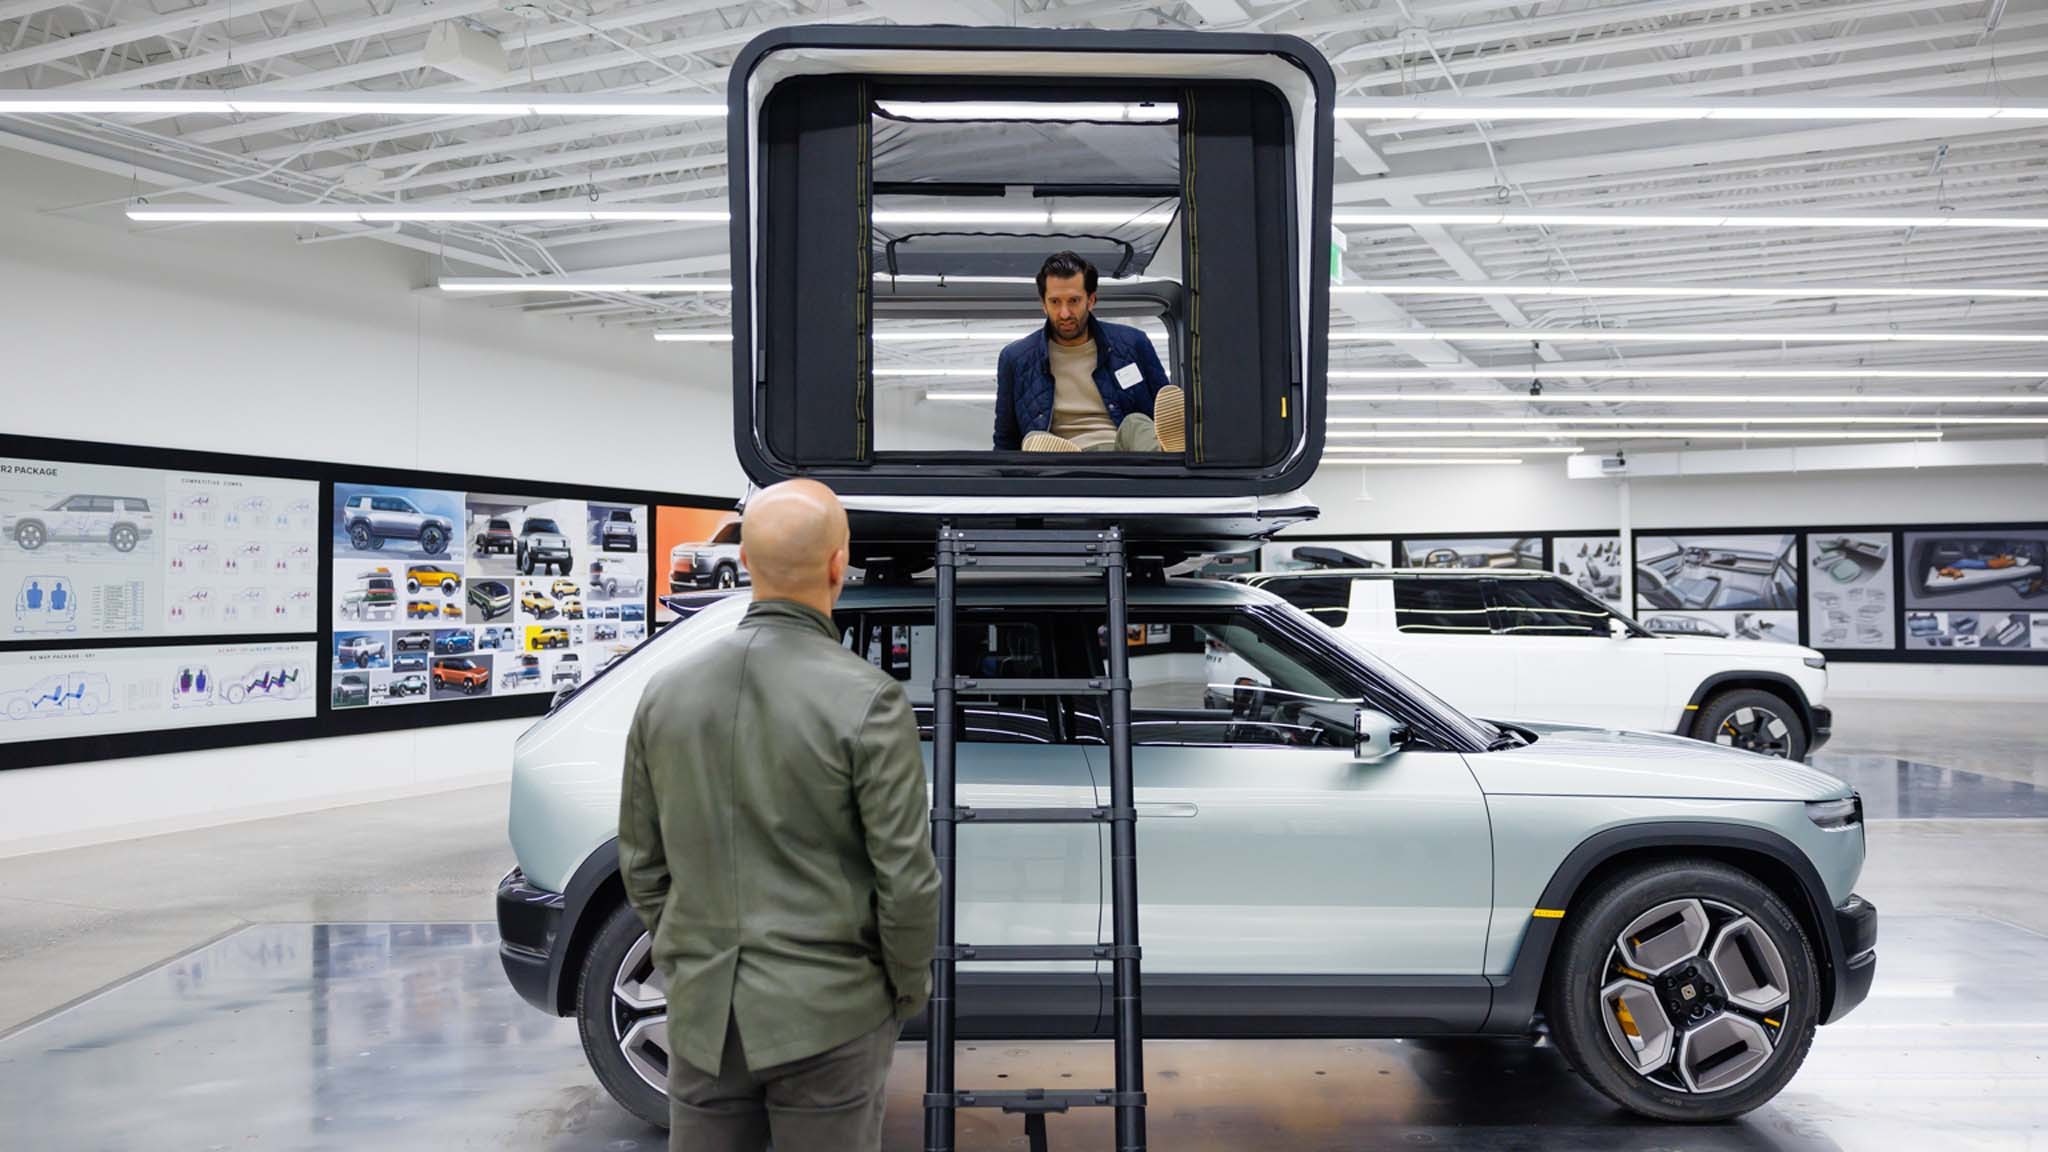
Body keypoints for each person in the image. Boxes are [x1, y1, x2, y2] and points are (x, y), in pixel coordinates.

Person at [618, 478, 940, 1152]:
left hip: (705, 1018)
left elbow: (643, 865)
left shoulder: (665, 694)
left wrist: (691, 960)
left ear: (745, 563)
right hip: (831, 1013)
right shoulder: (870, 700)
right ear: (835, 565)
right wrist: (903, 991)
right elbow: (906, 881)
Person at [994, 250, 1185, 454]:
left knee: (1135, 422)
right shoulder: (1016, 358)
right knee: (1035, 439)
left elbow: (1163, 411)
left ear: (1091, 300)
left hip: (1127, 455)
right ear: (1043, 304)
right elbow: (1006, 441)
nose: (1065, 313)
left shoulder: (1133, 343)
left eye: (1074, 301)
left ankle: (1169, 453)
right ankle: (1065, 461)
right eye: (1055, 302)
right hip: (1064, 457)